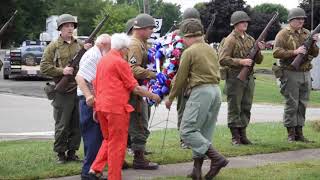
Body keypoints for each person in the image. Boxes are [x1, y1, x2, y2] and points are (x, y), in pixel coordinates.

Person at [88, 33, 161, 180]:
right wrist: (153, 96)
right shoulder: (120, 62)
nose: (128, 52)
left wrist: (96, 108)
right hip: (116, 108)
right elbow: (135, 87)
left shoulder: (103, 60)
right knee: (118, 144)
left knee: (108, 140)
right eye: (127, 50)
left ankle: (95, 169)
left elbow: (95, 83)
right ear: (123, 49)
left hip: (102, 106)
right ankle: (114, 177)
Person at [165, 18, 228, 180]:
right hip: (215, 91)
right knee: (203, 132)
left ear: (188, 35)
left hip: (201, 92)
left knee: (187, 130)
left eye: (183, 39)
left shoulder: (189, 52)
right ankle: (196, 171)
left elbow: (180, 78)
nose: (183, 42)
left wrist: (170, 98)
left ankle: (217, 159)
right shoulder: (210, 49)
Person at [40, 13, 92, 163]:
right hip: (62, 91)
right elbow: (44, 66)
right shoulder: (53, 46)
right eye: (67, 26)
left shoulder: (81, 45)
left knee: (77, 123)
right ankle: (60, 153)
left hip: (79, 88)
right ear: (60, 29)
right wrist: (61, 71)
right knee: (62, 124)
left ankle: (72, 152)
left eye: (72, 26)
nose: (70, 29)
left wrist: (88, 50)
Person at [218, 11, 265, 145]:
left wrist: (259, 50)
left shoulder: (250, 39)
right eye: (242, 22)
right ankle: (235, 137)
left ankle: (243, 135)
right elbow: (222, 59)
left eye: (246, 21)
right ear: (235, 24)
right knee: (235, 107)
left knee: (246, 106)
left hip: (248, 77)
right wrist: (241, 62)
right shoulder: (230, 39)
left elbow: (259, 60)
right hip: (234, 78)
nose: (245, 23)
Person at [273, 7, 319, 142]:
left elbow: (315, 53)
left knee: (302, 103)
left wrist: (314, 43)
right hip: (290, 72)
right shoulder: (283, 34)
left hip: (305, 72)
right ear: (291, 20)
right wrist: (294, 52)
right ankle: (291, 134)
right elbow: (276, 52)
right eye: (298, 19)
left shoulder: (307, 33)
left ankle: (300, 133)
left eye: (303, 19)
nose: (301, 21)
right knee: (291, 103)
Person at [75, 34, 111, 179]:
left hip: (91, 100)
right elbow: (80, 77)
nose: (111, 50)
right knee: (93, 137)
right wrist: (89, 96)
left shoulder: (95, 53)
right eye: (109, 46)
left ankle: (93, 170)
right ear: (102, 44)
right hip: (89, 101)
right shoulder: (94, 56)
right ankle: (89, 172)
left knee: (94, 137)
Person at [126, 13, 159, 170]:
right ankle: (139, 159)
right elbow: (132, 69)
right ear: (141, 29)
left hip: (140, 89)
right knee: (139, 123)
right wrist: (154, 74)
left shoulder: (141, 43)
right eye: (150, 28)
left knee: (140, 121)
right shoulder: (134, 45)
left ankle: (139, 153)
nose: (152, 31)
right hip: (136, 91)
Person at [176, 7, 201, 149]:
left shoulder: (199, 37)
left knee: (195, 111)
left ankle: (193, 137)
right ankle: (184, 139)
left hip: (196, 80)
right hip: (184, 80)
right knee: (183, 110)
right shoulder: (177, 38)